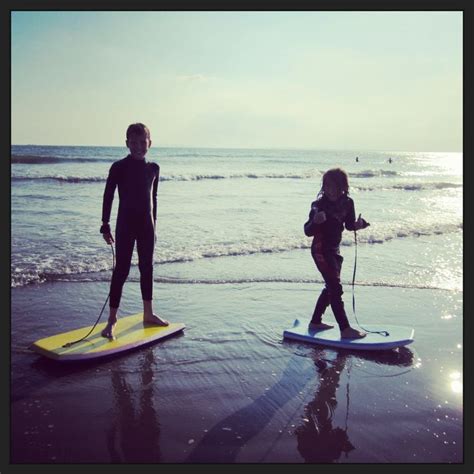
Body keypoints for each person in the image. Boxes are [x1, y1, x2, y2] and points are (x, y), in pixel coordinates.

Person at [100, 123, 169, 339]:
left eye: (142, 142)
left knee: (147, 268)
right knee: (121, 270)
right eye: (133, 142)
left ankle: (148, 313)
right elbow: (108, 195)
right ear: (127, 143)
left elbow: (154, 199)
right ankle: (112, 319)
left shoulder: (154, 168)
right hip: (125, 225)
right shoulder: (119, 167)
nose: (138, 146)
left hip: (147, 226)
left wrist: (154, 226)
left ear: (150, 143)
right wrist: (105, 224)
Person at [303, 168, 369, 339]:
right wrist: (316, 222)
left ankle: (315, 322)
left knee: (331, 287)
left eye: (334, 186)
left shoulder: (348, 203)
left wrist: (359, 225)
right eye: (327, 186)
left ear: (342, 186)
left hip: (334, 250)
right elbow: (307, 230)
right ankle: (345, 329)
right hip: (320, 250)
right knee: (335, 288)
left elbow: (348, 225)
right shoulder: (318, 205)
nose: (330, 190)